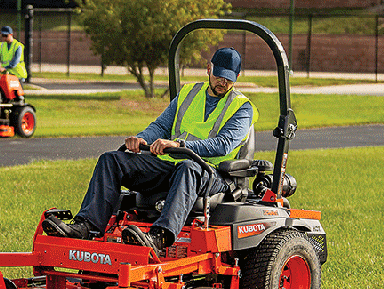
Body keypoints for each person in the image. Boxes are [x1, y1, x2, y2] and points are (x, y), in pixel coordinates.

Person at [42, 47, 258, 255]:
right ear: (209, 68)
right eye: (220, 75)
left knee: (188, 167)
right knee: (112, 160)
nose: (223, 82)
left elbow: (223, 144)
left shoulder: (241, 107)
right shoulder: (189, 93)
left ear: (237, 76)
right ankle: (86, 226)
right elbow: (161, 126)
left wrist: (180, 146)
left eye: (230, 78)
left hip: (212, 173)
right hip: (172, 165)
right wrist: (142, 138)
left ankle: (159, 236)